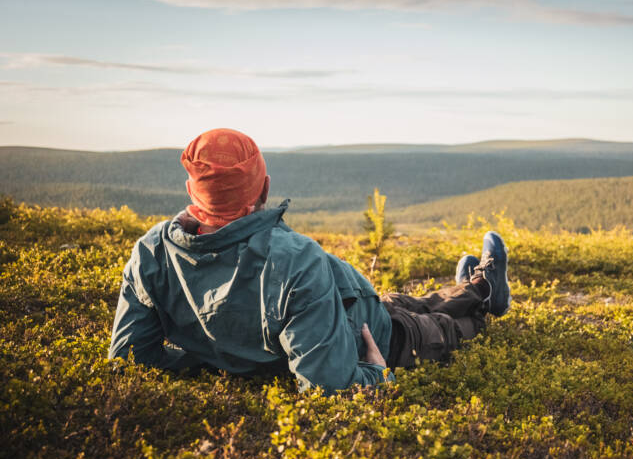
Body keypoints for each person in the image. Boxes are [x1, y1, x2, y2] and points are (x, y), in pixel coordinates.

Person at [108, 128, 511, 395]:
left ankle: (471, 287)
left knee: (407, 303)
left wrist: (208, 358)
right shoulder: (294, 262)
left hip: (352, 307)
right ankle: (483, 296)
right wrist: (376, 372)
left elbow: (130, 357)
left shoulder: (151, 252)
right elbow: (329, 387)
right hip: (375, 338)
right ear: (264, 190)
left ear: (191, 190)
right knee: (437, 327)